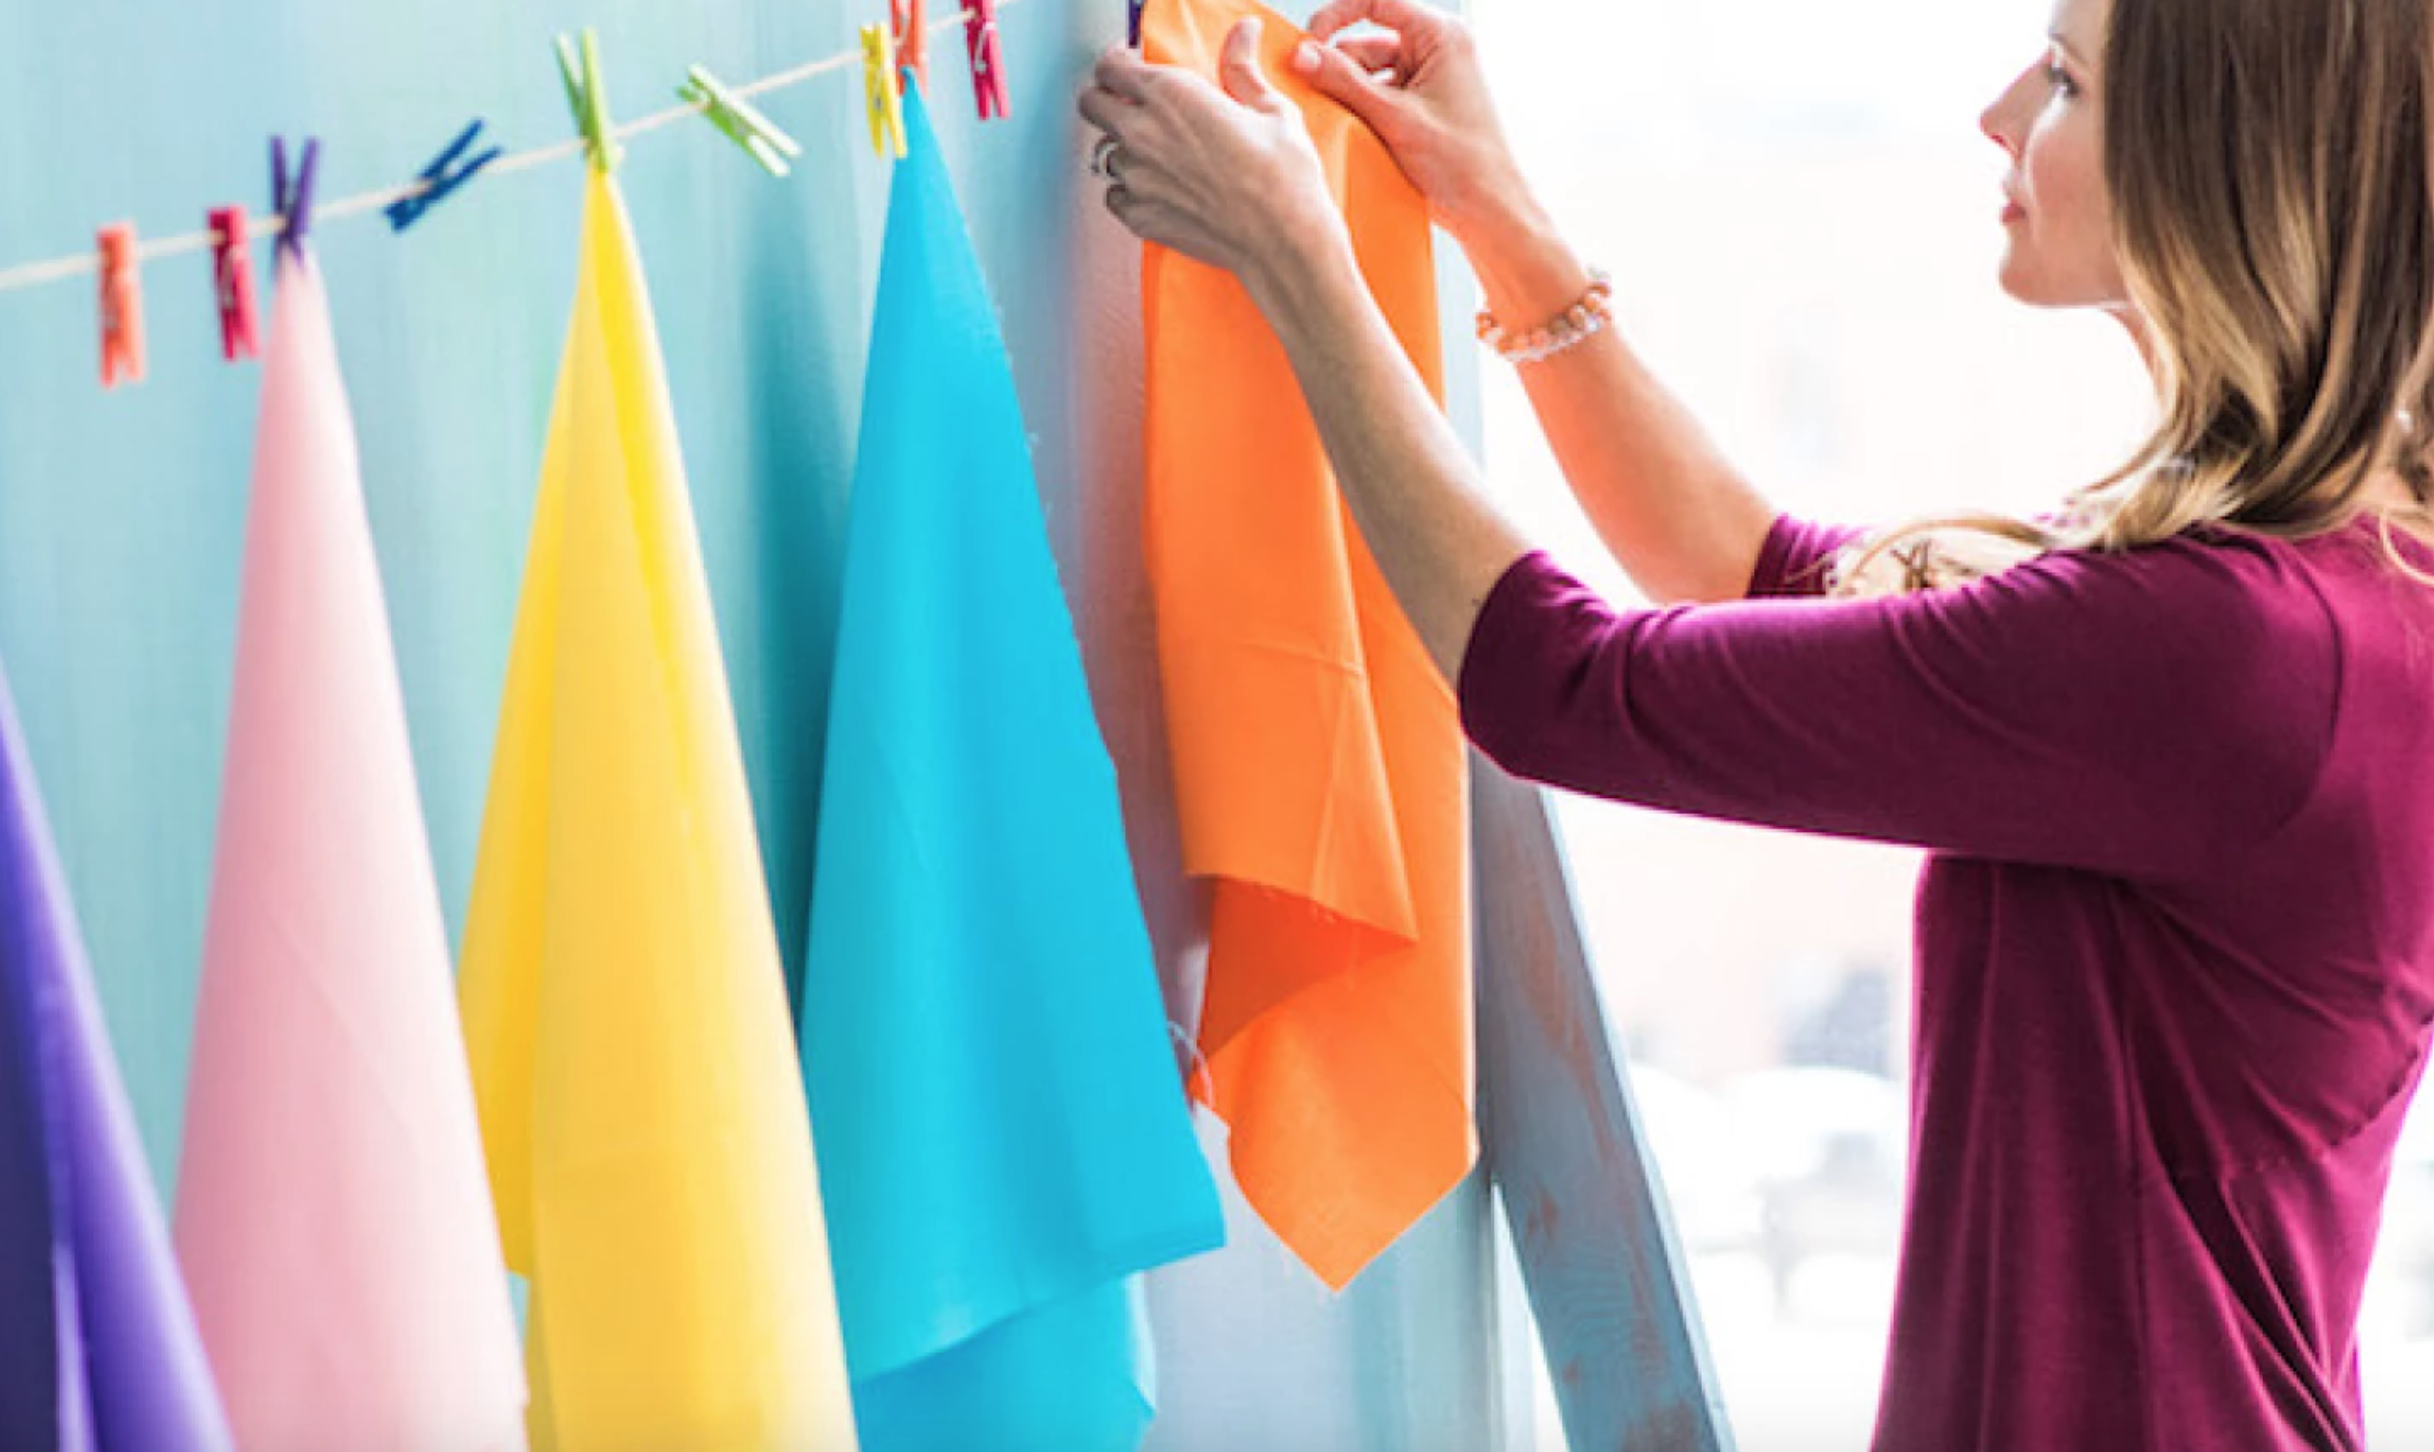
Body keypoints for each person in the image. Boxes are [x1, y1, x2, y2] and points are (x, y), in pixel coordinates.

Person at [1078, 0, 2434, 1445]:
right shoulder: (2323, 597)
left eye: (2061, 80)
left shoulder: (2224, 652)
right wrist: (1496, 212)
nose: (1994, 114)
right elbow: (1748, 571)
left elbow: (1563, 688)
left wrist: (1299, 259)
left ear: (2222, 168)